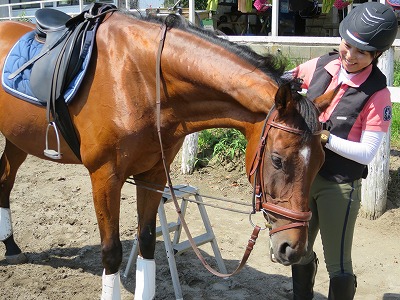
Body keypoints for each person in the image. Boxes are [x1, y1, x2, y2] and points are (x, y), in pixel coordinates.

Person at [286, 2, 398, 299]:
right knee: (299, 249)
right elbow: (286, 79)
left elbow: (367, 153)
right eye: (347, 45)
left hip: (339, 186)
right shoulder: (324, 64)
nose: (350, 55)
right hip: (305, 178)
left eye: (361, 52)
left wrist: (324, 137)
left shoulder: (377, 94)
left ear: (377, 55)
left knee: (339, 264)